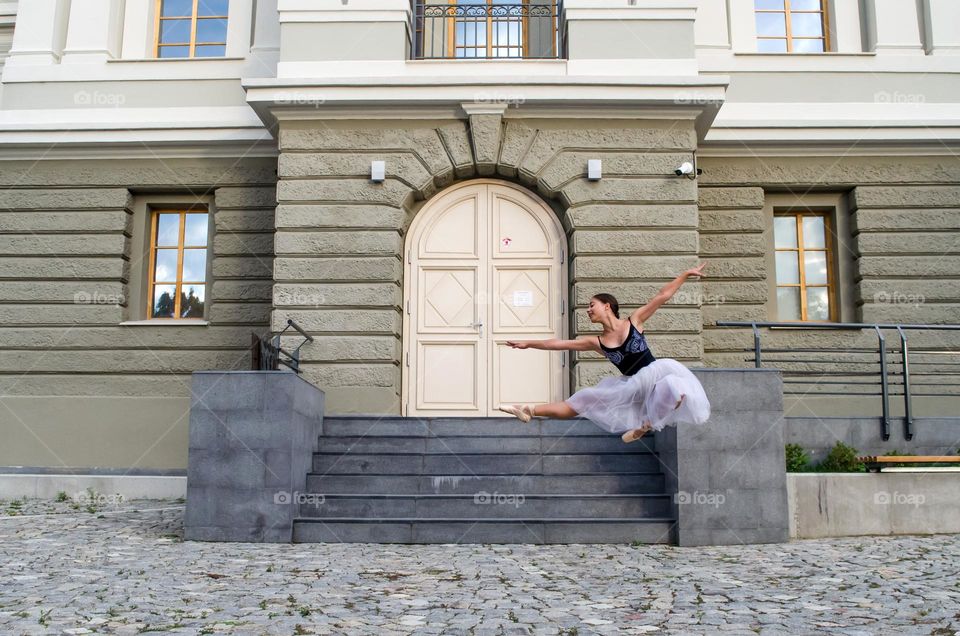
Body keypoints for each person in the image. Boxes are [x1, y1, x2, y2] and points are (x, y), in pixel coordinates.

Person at [499, 264, 711, 442]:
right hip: (632, 386)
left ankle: (645, 426)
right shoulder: (597, 342)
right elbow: (559, 343)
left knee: (674, 386)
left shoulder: (634, 321)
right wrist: (528, 343)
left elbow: (661, 296)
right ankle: (528, 409)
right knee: (583, 398)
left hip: (655, 378)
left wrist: (684, 275)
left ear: (607, 306)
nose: (588, 310)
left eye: (592, 305)